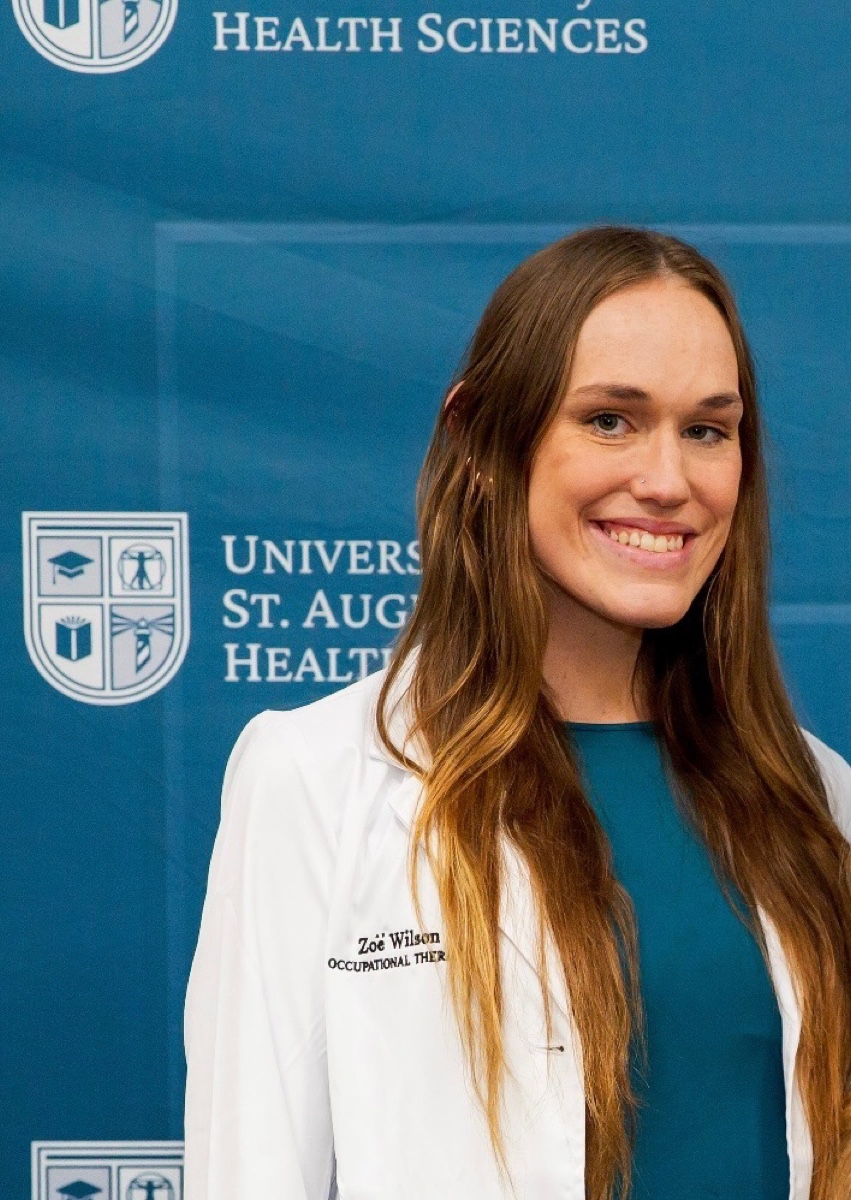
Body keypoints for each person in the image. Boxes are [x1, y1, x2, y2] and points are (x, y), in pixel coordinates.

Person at [183, 227, 851, 1200]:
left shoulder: (818, 799)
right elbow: (248, 1174)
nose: (667, 481)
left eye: (706, 429)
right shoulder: (316, 775)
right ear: (479, 441)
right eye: (610, 420)